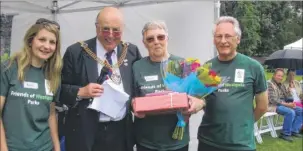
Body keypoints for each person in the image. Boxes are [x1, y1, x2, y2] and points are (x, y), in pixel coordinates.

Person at [59, 7, 142, 151]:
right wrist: (80, 91)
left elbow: (139, 87)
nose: (110, 35)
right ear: (96, 28)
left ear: (123, 29)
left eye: (116, 30)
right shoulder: (76, 52)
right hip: (85, 132)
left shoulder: (131, 52)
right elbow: (58, 90)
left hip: (121, 132)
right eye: (105, 29)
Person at [197, 16, 268, 151]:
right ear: (214, 40)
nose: (223, 41)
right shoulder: (206, 68)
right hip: (209, 141)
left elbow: (263, 106)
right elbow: (202, 101)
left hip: (241, 144)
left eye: (228, 36)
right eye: (219, 36)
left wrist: (244, 124)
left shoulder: (253, 67)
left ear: (238, 39)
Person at [132, 20, 205, 151]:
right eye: (150, 39)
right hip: (146, 142)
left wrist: (198, 104)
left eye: (160, 37)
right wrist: (133, 107)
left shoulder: (184, 64)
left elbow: (200, 97)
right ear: (144, 43)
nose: (156, 41)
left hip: (177, 142)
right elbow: (130, 98)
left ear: (167, 39)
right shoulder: (137, 67)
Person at [0, 18, 62, 151]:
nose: (47, 46)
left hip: (45, 147)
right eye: (42, 39)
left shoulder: (53, 75)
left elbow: (51, 115)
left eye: (52, 42)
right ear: (30, 40)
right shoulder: (9, 68)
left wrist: (57, 147)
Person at [267, 69, 303, 142]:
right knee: (290, 112)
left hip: (282, 104)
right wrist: (287, 104)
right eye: (278, 75)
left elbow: (286, 97)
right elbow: (273, 100)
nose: (280, 77)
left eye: (281, 76)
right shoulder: (269, 84)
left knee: (301, 110)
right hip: (272, 106)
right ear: (274, 75)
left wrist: (289, 92)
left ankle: (294, 130)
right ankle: (285, 134)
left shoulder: (281, 84)